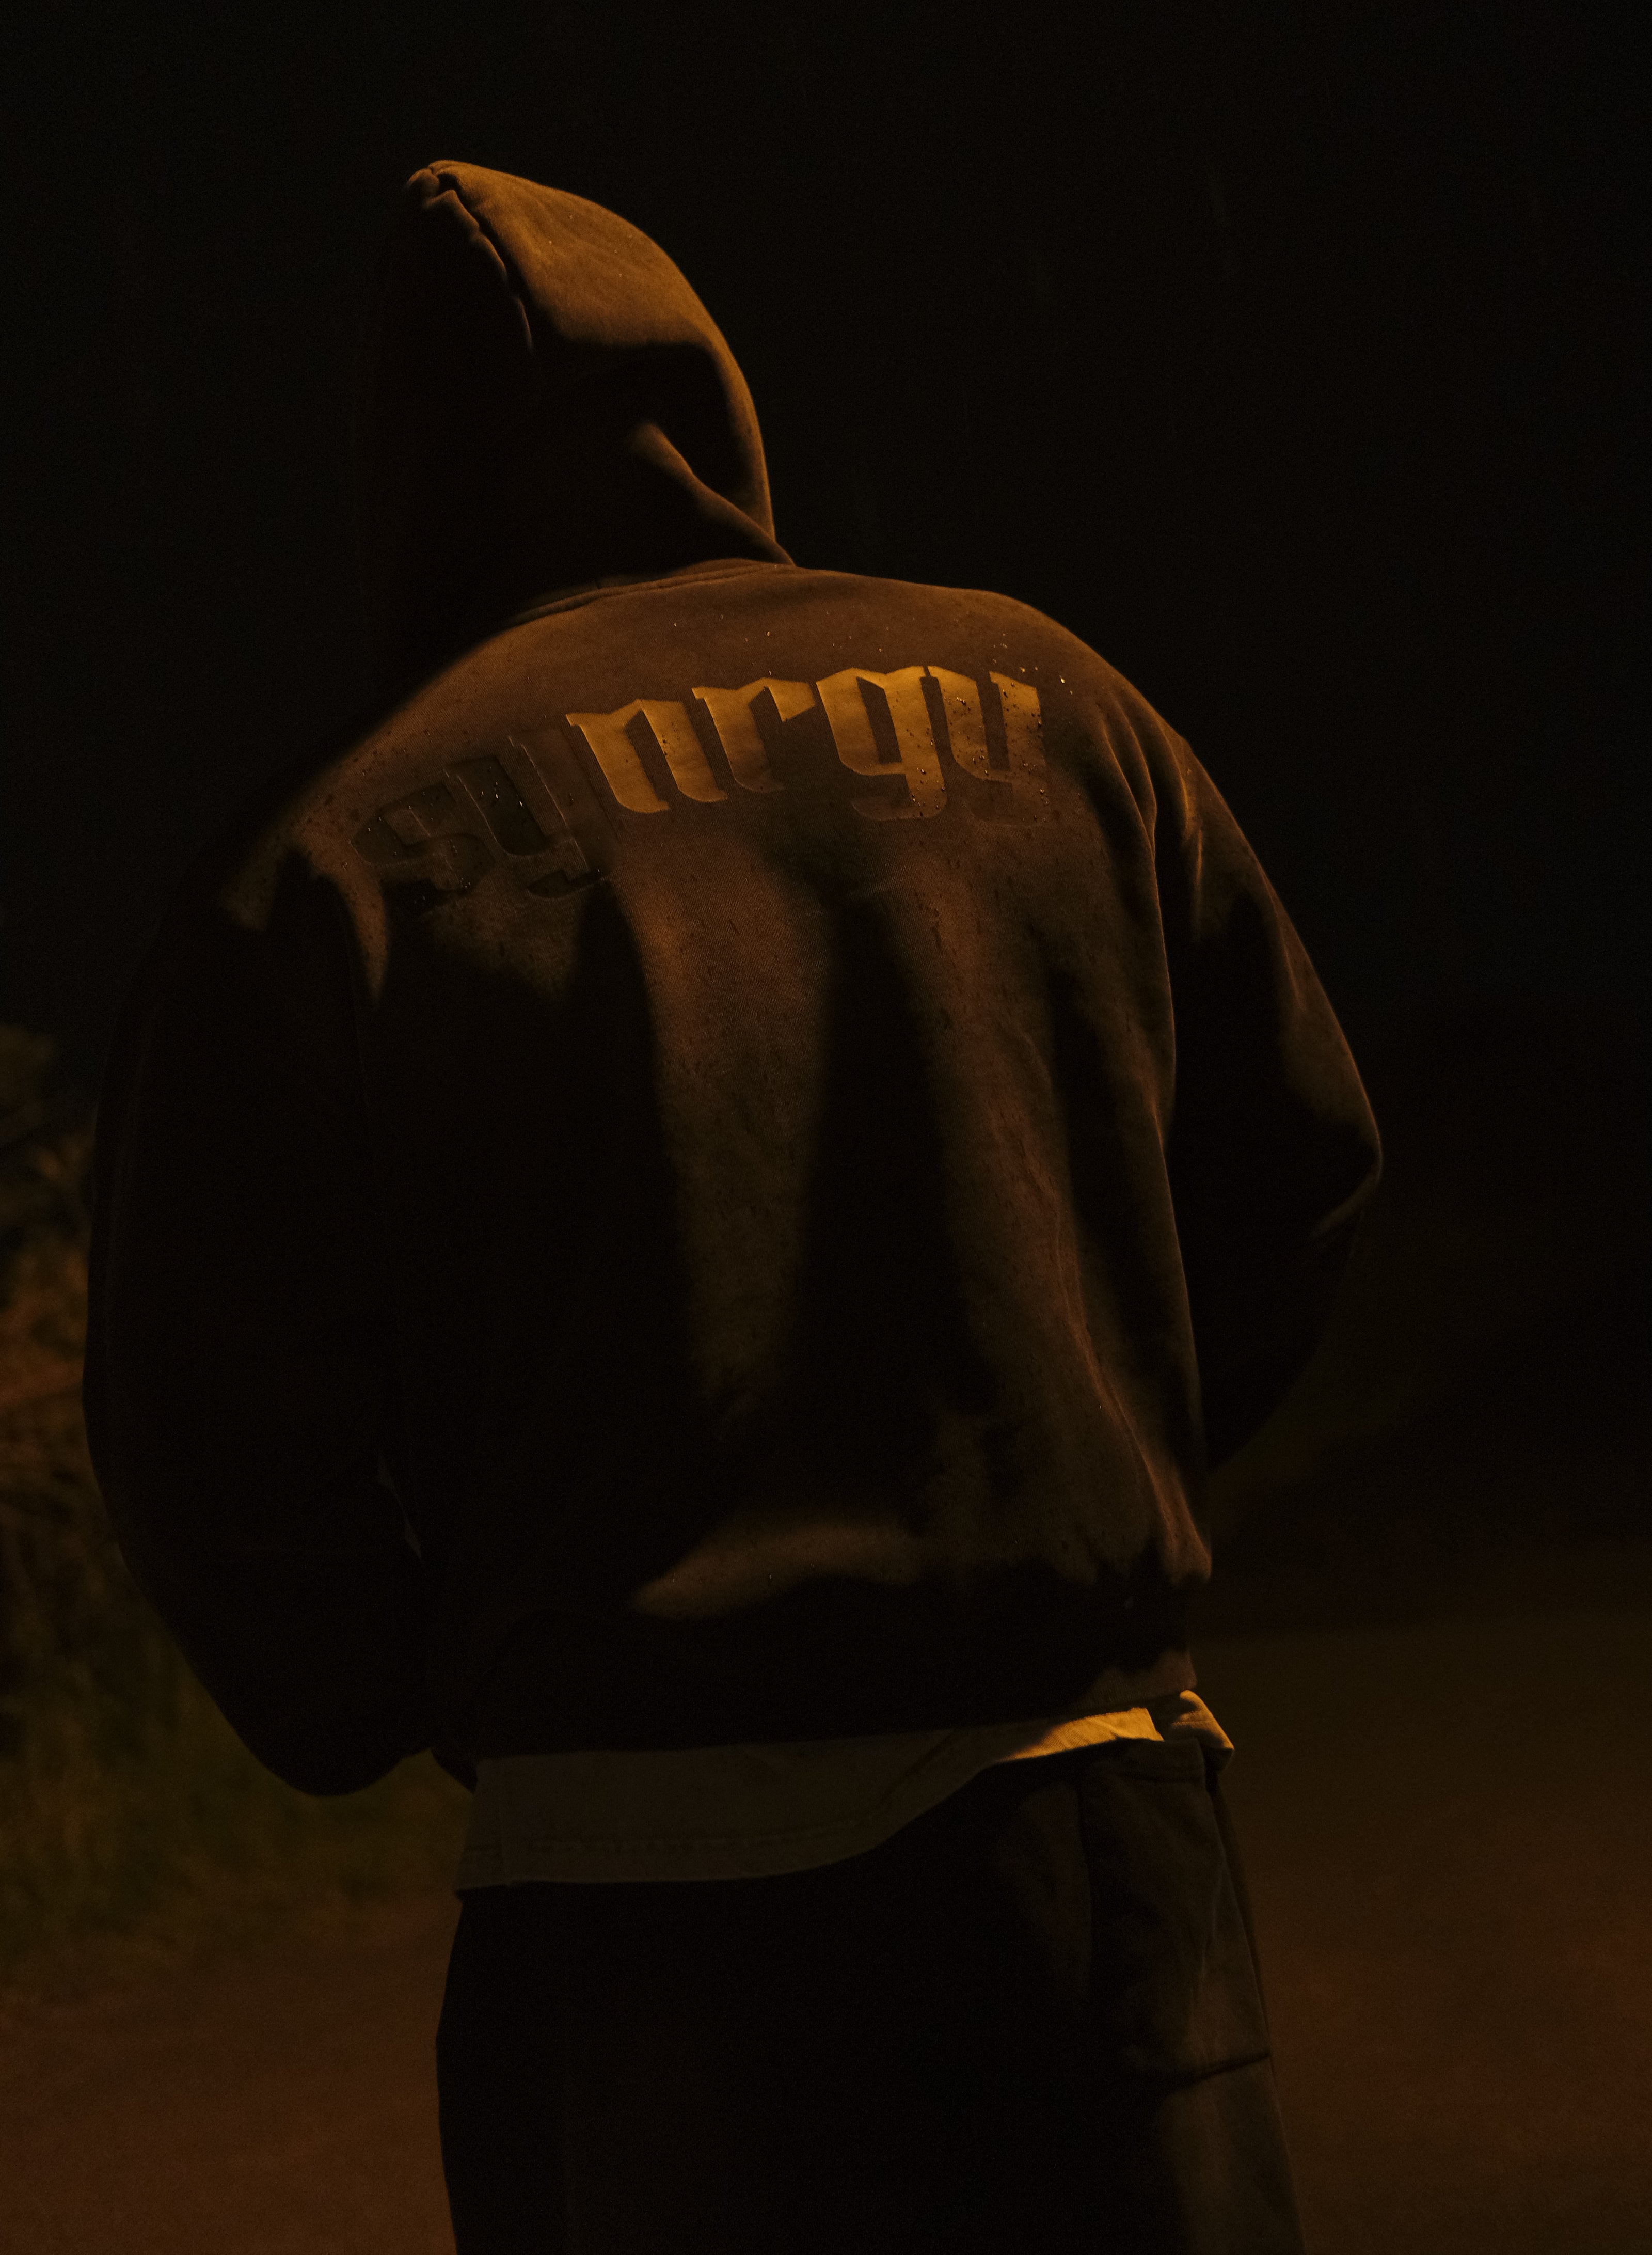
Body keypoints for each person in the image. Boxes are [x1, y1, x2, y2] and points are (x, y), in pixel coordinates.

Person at [85, 160, 1381, 2253]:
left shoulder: (327, 863)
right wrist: (1063, 1484)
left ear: (408, 474)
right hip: (1085, 1841)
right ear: (711, 403)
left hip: (635, 1916)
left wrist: (418, 1687)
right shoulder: (1057, 710)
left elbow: (203, 1415)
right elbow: (1296, 1166)